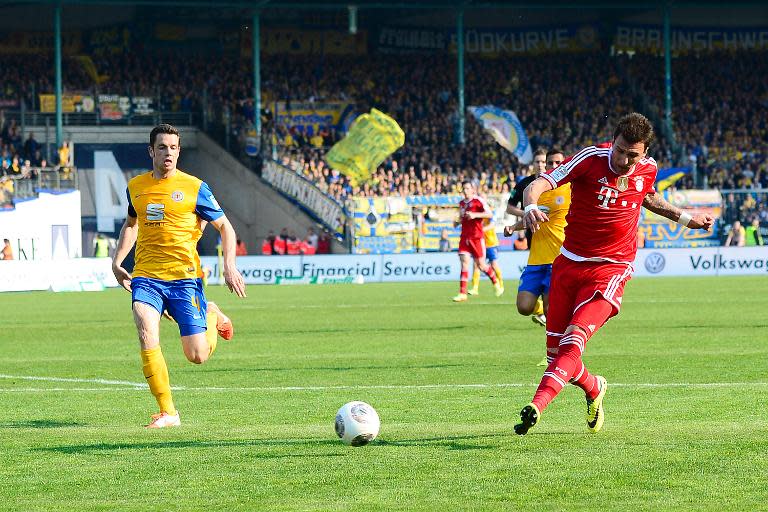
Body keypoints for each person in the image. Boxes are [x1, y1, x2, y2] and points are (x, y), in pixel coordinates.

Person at [513, 113, 714, 436]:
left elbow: (648, 197)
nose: (622, 159)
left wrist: (688, 219)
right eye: (619, 150)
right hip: (568, 264)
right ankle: (594, 387)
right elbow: (541, 183)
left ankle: (536, 405)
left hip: (611, 269)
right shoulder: (590, 159)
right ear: (614, 141)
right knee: (555, 355)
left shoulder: (648, 170)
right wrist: (531, 206)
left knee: (573, 342)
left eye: (631, 155)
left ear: (644, 153)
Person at [111, 124, 247, 429]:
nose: (168, 153)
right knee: (146, 326)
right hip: (146, 276)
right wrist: (117, 262)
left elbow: (225, 227)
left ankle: (210, 314)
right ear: (151, 151)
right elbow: (131, 224)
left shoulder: (195, 187)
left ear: (179, 151)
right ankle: (168, 412)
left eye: (173, 147)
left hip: (185, 279)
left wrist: (229, 265)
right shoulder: (136, 187)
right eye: (162, 147)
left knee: (197, 355)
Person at [503, 148, 568, 329]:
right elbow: (529, 216)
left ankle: (553, 354)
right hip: (535, 258)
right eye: (550, 163)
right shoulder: (534, 189)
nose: (553, 166)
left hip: (557, 258)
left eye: (558, 163)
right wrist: (513, 227)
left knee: (551, 311)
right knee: (523, 307)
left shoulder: (570, 188)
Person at [452, 181, 503, 302]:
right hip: (464, 237)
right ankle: (462, 293)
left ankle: (496, 282)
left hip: (476, 237)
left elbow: (489, 214)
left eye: (467, 188)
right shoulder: (461, 204)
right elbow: (460, 218)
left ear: (472, 190)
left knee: (481, 265)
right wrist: (457, 221)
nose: (465, 190)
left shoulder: (478, 201)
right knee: (464, 263)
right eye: (464, 188)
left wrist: (475, 215)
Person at [507, 148, 547, 249]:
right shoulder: (522, 184)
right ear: (532, 164)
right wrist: (528, 214)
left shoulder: (556, 183)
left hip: (554, 230)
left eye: (543, 162)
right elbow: (509, 208)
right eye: (537, 162)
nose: (540, 165)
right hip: (532, 231)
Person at [468, 217, 504, 296]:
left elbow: (492, 225)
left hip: (491, 243)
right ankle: (475, 288)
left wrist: (480, 230)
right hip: (480, 243)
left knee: (494, 264)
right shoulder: (477, 213)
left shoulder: (490, 212)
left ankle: (501, 285)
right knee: (476, 265)